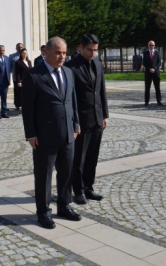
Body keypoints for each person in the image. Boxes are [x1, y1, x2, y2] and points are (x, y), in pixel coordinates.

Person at [22, 37, 81, 229]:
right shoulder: (33, 75)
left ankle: (64, 205)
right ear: (46, 52)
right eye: (58, 52)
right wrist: (31, 134)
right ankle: (43, 212)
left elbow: (72, 100)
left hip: (68, 134)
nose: (62, 56)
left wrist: (76, 124)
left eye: (64, 53)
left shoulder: (69, 73)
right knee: (44, 175)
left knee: (66, 172)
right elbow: (28, 108)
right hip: (44, 135)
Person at [65, 34, 108, 205]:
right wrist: (75, 122)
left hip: (97, 118)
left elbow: (101, 90)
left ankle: (89, 186)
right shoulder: (71, 67)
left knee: (92, 156)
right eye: (90, 49)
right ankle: (78, 189)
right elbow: (71, 97)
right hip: (81, 120)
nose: (93, 53)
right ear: (80, 48)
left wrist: (105, 114)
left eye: (96, 50)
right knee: (79, 158)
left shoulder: (97, 63)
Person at [142, 41, 162, 106]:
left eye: (152, 45)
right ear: (148, 45)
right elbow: (144, 63)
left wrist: (154, 68)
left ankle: (159, 100)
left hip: (156, 72)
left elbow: (159, 62)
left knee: (157, 87)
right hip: (148, 72)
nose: (151, 46)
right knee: (147, 87)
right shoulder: (145, 53)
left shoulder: (157, 52)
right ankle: (146, 101)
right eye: (150, 45)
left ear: (154, 45)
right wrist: (149, 68)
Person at [9, 43, 25, 110]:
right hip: (16, 76)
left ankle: (23, 104)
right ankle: (17, 104)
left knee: (24, 91)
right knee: (17, 91)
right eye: (18, 47)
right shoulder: (12, 56)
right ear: (16, 48)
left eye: (21, 47)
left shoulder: (25, 55)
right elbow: (9, 66)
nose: (20, 48)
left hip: (24, 76)